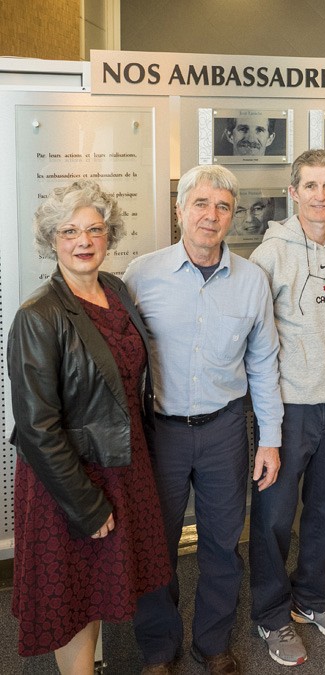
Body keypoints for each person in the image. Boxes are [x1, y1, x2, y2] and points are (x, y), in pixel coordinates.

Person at [125, 165, 283, 675]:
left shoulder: (252, 282)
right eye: (200, 203)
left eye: (221, 207)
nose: (210, 216)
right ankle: (158, 650)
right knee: (156, 547)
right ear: (179, 210)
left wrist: (270, 439)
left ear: (232, 217)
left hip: (224, 432)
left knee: (221, 543)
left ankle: (212, 644)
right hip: (159, 435)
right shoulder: (140, 275)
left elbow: (263, 363)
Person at [7, 181, 170, 672]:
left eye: (94, 230)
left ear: (108, 235)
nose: (84, 241)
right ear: (51, 240)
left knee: (98, 586)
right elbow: (37, 427)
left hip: (121, 463)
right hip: (71, 480)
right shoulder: (38, 316)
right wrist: (84, 502)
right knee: (74, 595)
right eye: (70, 231)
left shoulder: (116, 290)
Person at [247, 149, 325, 666]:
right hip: (290, 408)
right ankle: (271, 615)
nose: (320, 195)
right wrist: (268, 419)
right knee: (274, 517)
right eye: (310, 185)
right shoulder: (268, 257)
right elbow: (257, 342)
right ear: (293, 192)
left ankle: (312, 599)